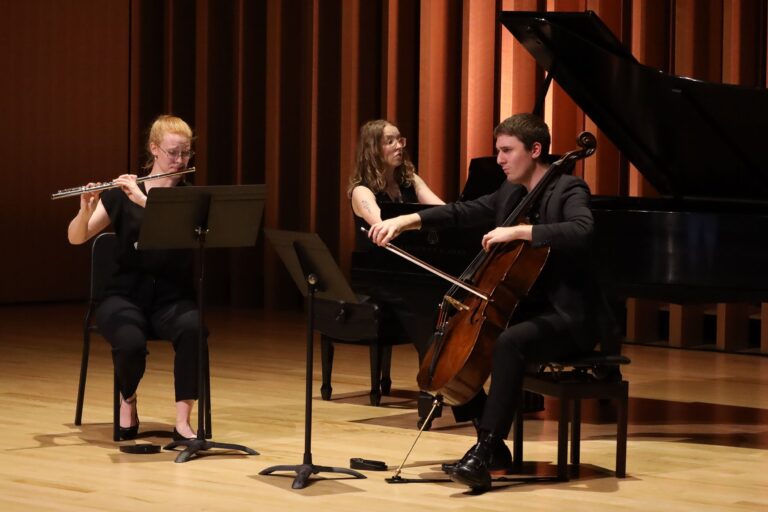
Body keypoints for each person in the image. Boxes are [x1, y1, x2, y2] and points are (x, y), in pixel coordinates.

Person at [368, 113, 617, 492]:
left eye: (506, 150)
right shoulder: (511, 193)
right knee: (461, 339)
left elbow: (582, 231)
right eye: (497, 150)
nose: (499, 159)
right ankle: (494, 447)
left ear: (535, 150)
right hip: (528, 310)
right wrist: (406, 222)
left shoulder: (569, 189)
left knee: (510, 342)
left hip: (570, 318)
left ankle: (485, 449)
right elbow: (460, 211)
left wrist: (519, 231)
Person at [67, 114, 202, 441]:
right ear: (154, 149)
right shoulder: (120, 194)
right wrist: (86, 208)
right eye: (173, 152)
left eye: (185, 153)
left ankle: (183, 420)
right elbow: (76, 237)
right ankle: (127, 398)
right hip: (124, 296)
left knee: (193, 329)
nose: (180, 160)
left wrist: (143, 200)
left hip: (172, 298)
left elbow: (181, 234)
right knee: (129, 342)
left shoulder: (192, 198)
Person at [349, 119, 445, 360]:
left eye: (400, 140)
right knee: (423, 302)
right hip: (380, 275)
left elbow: (442, 210)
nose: (399, 146)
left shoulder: (410, 180)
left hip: (409, 270)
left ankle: (444, 364)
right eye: (390, 141)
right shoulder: (362, 191)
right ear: (373, 150)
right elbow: (381, 225)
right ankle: (433, 369)